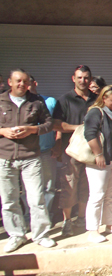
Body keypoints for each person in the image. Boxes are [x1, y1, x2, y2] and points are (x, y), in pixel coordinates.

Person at [0, 69, 56, 253]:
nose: (21, 85)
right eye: (18, 81)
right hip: (5, 157)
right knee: (9, 199)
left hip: (31, 157)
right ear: (10, 82)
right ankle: (16, 235)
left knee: (36, 198)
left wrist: (32, 130)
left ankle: (41, 235)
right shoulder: (1, 100)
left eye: (25, 82)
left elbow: (49, 124)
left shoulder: (36, 101)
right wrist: (3, 132)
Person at [52, 65, 96, 237]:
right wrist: (80, 128)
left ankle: (81, 217)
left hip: (91, 151)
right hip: (71, 151)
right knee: (69, 186)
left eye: (86, 78)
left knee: (86, 186)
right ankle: (67, 220)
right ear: (73, 79)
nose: (83, 81)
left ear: (90, 79)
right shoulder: (64, 100)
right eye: (79, 78)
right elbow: (57, 125)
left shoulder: (96, 99)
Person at [84, 85, 112, 243]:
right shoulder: (96, 112)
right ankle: (93, 229)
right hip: (101, 162)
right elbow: (89, 133)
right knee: (97, 195)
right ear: (103, 98)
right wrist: (98, 154)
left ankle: (109, 224)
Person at [21, 76, 58, 223]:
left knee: (49, 187)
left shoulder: (49, 101)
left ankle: (45, 216)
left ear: (35, 84)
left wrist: (58, 144)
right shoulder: (19, 105)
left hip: (47, 151)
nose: (25, 86)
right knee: (27, 189)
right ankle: (29, 216)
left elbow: (57, 125)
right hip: (26, 153)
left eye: (28, 83)